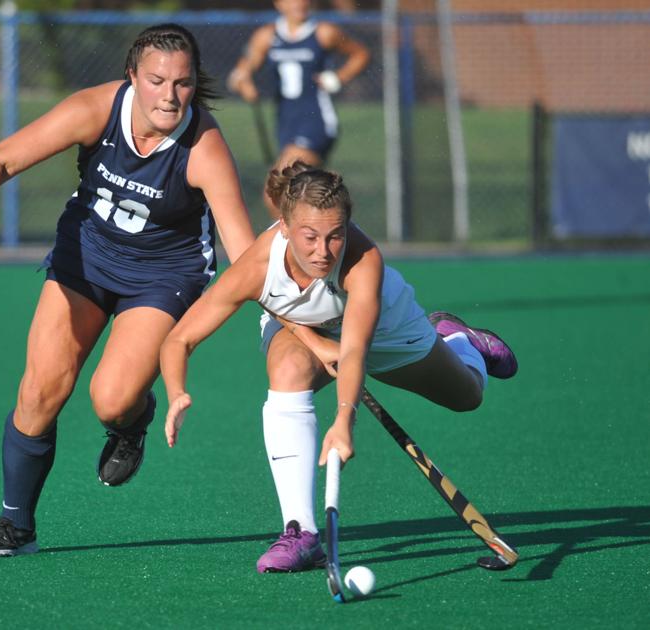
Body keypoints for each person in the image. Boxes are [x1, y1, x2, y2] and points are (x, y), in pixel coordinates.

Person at [0, 23, 255, 559]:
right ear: (133, 78)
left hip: (165, 275)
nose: (170, 95)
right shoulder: (94, 110)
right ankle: (15, 527)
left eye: (182, 83)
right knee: (38, 393)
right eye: (157, 80)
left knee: (112, 400)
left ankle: (131, 422)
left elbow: (245, 254)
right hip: (85, 257)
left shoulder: (204, 148)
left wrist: (289, 316)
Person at [159, 161, 518, 573]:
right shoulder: (257, 266)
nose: (323, 251)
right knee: (288, 370)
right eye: (309, 237)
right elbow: (179, 338)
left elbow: (353, 352)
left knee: (467, 395)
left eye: (335, 236)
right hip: (302, 330)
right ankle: (301, 532)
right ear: (285, 227)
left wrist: (344, 419)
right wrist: (176, 392)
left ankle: (459, 339)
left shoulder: (363, 261)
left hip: (386, 330)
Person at [227, 0, 370, 216]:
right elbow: (240, 72)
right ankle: (330, 235)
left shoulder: (324, 32)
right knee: (306, 195)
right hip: (287, 125)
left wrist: (338, 78)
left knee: (276, 192)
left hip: (316, 122)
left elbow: (360, 54)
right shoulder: (267, 36)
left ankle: (302, 242)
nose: (299, 3)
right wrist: (243, 82)